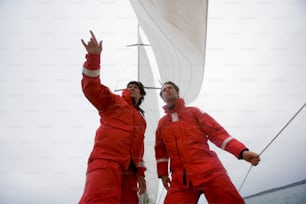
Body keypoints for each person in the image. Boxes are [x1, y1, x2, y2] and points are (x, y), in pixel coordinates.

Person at [155, 81, 261, 204]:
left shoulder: (194, 112)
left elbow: (218, 134)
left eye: (170, 88)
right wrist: (163, 174)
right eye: (164, 90)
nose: (167, 90)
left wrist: (242, 152)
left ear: (178, 93)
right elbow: (160, 152)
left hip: (210, 172)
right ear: (162, 97)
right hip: (181, 181)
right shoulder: (161, 124)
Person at [79, 30, 147, 204]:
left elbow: (139, 150)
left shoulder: (141, 121)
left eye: (135, 87)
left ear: (141, 94)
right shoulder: (113, 101)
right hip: (105, 161)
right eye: (129, 86)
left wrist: (140, 176)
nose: (131, 88)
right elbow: (92, 89)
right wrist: (93, 58)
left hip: (129, 173)